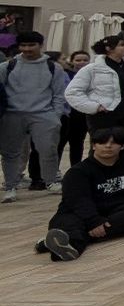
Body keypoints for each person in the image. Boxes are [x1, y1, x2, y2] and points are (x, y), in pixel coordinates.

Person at [37, 127, 124, 261]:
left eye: (114, 143)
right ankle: (67, 248)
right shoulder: (78, 171)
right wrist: (93, 222)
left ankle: (62, 242)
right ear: (94, 145)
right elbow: (77, 200)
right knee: (68, 223)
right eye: (102, 143)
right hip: (78, 213)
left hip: (114, 212)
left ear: (122, 146)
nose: (108, 146)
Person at [1, 30, 68, 200]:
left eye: (31, 45)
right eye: (23, 45)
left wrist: (55, 116)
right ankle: (10, 186)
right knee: (11, 152)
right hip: (12, 114)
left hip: (43, 115)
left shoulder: (53, 67)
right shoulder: (8, 66)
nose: (27, 49)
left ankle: (51, 181)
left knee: (48, 150)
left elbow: (59, 94)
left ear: (40, 45)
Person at [64, 34, 124, 135]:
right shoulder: (92, 69)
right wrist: (95, 107)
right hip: (102, 117)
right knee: (101, 147)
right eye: (122, 45)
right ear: (109, 48)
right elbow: (72, 92)